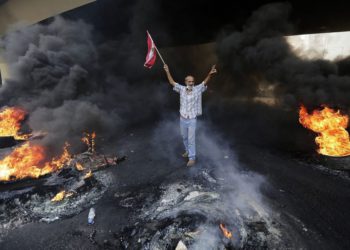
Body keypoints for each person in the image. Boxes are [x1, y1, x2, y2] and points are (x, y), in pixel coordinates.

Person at [163, 64, 217, 167]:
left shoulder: (197, 89)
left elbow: (205, 82)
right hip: (182, 118)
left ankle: (192, 158)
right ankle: (187, 151)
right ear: (185, 82)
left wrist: (210, 74)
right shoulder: (181, 89)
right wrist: (167, 71)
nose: (191, 83)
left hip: (192, 119)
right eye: (189, 81)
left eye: (192, 81)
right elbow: (171, 82)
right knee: (184, 137)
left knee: (191, 139)